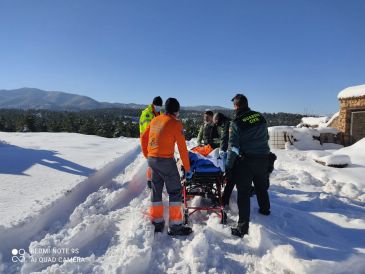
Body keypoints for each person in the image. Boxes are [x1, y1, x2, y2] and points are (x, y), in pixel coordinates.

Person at [140, 98, 193, 236]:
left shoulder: (155, 120)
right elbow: (182, 148)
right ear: (176, 111)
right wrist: (187, 168)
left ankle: (157, 222)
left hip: (152, 160)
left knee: (156, 190)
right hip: (165, 161)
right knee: (175, 191)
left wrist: (148, 155)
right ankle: (175, 226)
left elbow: (143, 137)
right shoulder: (176, 124)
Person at [225, 94, 271, 238]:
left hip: (246, 162)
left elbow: (233, 148)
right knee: (261, 186)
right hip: (264, 158)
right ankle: (265, 209)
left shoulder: (236, 122)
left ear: (236, 106)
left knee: (243, 193)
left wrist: (228, 165)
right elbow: (267, 137)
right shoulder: (260, 117)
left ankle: (242, 228)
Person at [139, 96, 163, 189]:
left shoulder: (159, 112)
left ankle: (157, 177)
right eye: (158, 105)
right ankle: (150, 181)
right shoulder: (147, 114)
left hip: (156, 140)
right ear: (154, 104)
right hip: (147, 140)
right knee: (152, 161)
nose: (159, 107)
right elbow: (147, 130)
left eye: (160, 106)